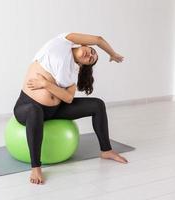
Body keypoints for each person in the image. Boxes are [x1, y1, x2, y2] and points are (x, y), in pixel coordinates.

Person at [13, 32, 128, 185]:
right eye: (92, 51)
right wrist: (112, 54)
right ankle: (36, 167)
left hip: (55, 110)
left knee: (97, 104)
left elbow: (67, 98)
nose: (90, 55)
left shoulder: (72, 72)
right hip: (27, 107)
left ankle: (106, 150)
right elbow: (98, 40)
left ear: (84, 65)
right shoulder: (62, 43)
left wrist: (46, 84)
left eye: (91, 60)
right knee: (35, 111)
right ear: (84, 44)